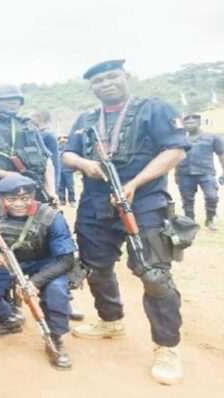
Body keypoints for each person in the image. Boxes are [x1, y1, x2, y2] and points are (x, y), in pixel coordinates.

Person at [62, 59, 188, 385]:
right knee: (95, 266)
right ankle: (110, 320)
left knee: (154, 274)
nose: (106, 84)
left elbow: (175, 151)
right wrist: (84, 163)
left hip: (143, 202)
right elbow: (67, 155)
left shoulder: (153, 109)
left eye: (112, 77)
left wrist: (135, 183)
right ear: (91, 88)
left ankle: (166, 347)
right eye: (98, 81)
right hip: (94, 204)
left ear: (126, 77)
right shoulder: (86, 119)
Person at [0, 175, 75, 369]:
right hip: (6, 263)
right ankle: (9, 319)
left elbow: (66, 259)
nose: (19, 203)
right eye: (11, 199)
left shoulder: (51, 217)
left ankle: (56, 338)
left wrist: (35, 282)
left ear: (33, 196)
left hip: (44, 264)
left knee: (57, 291)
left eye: (25, 198)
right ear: (1, 199)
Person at [0, 84, 56, 204]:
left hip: (33, 192)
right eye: (6, 99)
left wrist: (51, 189)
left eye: (16, 99)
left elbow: (46, 160)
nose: (13, 102)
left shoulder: (29, 126)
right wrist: (7, 175)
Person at [175, 114, 224, 231]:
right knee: (187, 200)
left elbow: (221, 154)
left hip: (206, 172)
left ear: (199, 123)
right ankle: (190, 222)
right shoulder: (179, 139)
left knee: (212, 197)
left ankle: (210, 220)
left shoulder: (212, 137)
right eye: (187, 123)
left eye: (193, 122)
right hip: (184, 173)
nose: (189, 124)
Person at [30, 109, 61, 185]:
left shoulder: (46, 135)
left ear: (39, 118)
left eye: (32, 117)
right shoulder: (46, 133)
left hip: (49, 173)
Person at [56, 134, 77, 207]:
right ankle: (62, 200)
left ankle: (72, 200)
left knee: (70, 186)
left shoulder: (70, 149)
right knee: (60, 187)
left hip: (68, 171)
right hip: (59, 171)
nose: (62, 139)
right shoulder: (56, 149)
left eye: (65, 138)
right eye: (60, 138)